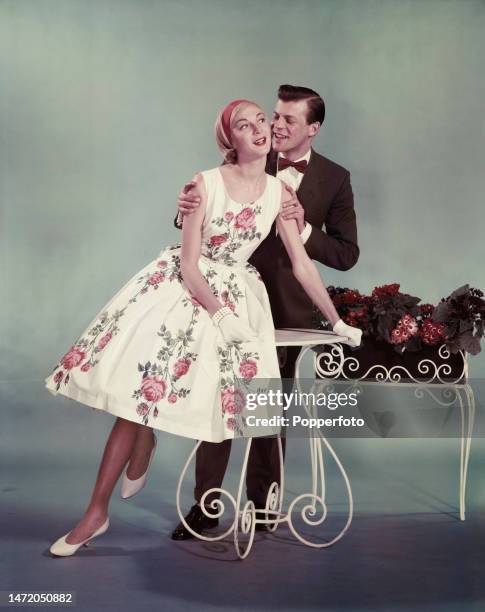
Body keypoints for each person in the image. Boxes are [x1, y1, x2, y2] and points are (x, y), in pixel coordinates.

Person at [45, 97, 361, 556]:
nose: (260, 127)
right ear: (228, 139)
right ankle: (97, 510)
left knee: (241, 405)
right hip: (188, 289)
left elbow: (303, 264)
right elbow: (190, 266)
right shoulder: (203, 183)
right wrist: (219, 313)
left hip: (243, 298)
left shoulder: (280, 193)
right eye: (244, 123)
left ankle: (242, 499)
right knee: (138, 386)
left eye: (262, 120)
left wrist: (337, 321)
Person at [172, 85, 360, 540]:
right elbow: (210, 213)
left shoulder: (334, 178)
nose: (274, 127)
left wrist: (304, 224)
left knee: (268, 410)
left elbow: (345, 253)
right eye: (274, 116)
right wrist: (183, 211)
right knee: (221, 401)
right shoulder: (249, 153)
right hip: (231, 300)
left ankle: (263, 505)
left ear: (312, 129)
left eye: (288, 121)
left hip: (293, 309)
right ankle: (205, 505)